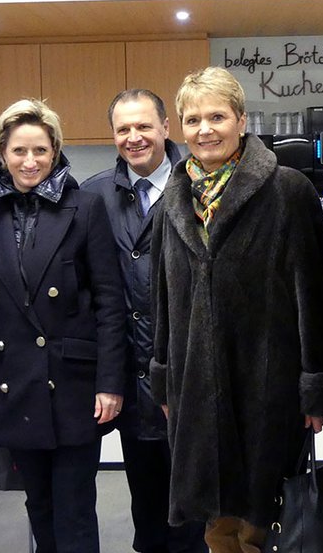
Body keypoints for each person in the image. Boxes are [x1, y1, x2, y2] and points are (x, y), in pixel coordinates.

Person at [149, 67, 323, 553]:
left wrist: (315, 387)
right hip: (194, 386)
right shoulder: (172, 197)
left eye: (216, 116)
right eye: (192, 119)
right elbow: (162, 298)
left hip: (267, 385)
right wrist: (166, 376)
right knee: (216, 519)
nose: (204, 129)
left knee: (265, 519)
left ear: (240, 118)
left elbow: (312, 294)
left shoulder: (287, 189)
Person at [0, 98, 126, 553]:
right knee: (38, 505)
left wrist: (110, 383)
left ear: (55, 151)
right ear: (2, 152)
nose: (30, 161)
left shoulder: (85, 207)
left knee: (74, 508)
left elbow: (110, 304)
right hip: (13, 382)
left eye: (40, 150)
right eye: (18, 151)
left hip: (73, 383)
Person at [81, 89, 207, 553]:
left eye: (144, 127)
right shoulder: (93, 195)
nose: (134, 138)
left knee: (194, 509)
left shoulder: (202, 185)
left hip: (189, 375)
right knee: (147, 505)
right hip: (130, 378)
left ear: (165, 128)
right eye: (123, 129)